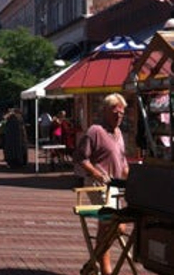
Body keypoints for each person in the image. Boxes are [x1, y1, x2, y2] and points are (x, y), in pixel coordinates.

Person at [75, 93, 129, 275]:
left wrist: (131, 178)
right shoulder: (95, 131)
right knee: (116, 224)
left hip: (114, 186)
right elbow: (81, 158)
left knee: (109, 227)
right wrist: (97, 174)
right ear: (105, 111)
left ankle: (92, 264)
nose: (119, 115)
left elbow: (122, 161)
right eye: (115, 111)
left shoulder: (119, 133)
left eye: (122, 112)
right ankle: (106, 270)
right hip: (97, 185)